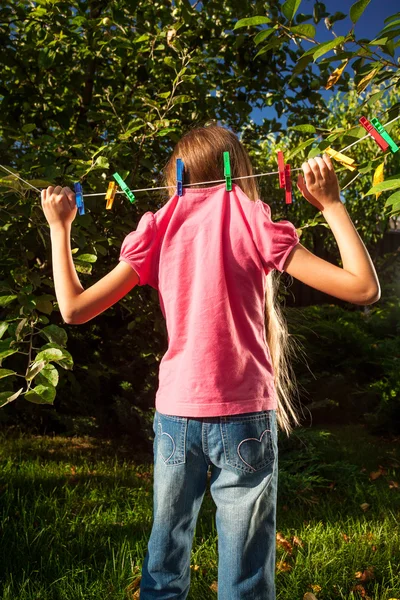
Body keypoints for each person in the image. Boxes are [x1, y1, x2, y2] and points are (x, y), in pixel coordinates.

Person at [41, 124, 380, 599]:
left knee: (164, 558)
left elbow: (73, 310)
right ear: (238, 168)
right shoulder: (250, 219)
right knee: (245, 572)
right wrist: (332, 204)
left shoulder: (159, 225)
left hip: (176, 413)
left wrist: (60, 227)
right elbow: (363, 288)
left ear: (176, 174)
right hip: (244, 416)